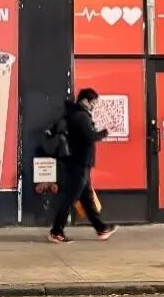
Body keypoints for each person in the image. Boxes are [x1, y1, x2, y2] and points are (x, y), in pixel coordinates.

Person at [48, 88, 117, 243]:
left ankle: (101, 228)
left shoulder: (77, 115)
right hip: (79, 164)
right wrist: (105, 132)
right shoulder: (81, 116)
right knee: (70, 198)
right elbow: (90, 137)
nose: (94, 105)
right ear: (85, 100)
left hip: (80, 164)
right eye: (93, 102)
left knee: (87, 199)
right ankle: (56, 231)